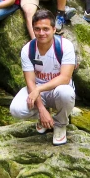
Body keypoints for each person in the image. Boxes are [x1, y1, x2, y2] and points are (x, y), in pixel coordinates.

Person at [9, 9, 76, 146]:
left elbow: (65, 78)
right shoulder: (28, 49)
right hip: (38, 90)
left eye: (46, 29)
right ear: (33, 29)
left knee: (66, 93)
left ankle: (60, 124)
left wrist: (38, 89)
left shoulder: (65, 46)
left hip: (58, 89)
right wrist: (41, 109)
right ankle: (44, 118)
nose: (41, 33)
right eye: (37, 29)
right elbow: (30, 81)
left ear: (53, 29)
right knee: (16, 109)